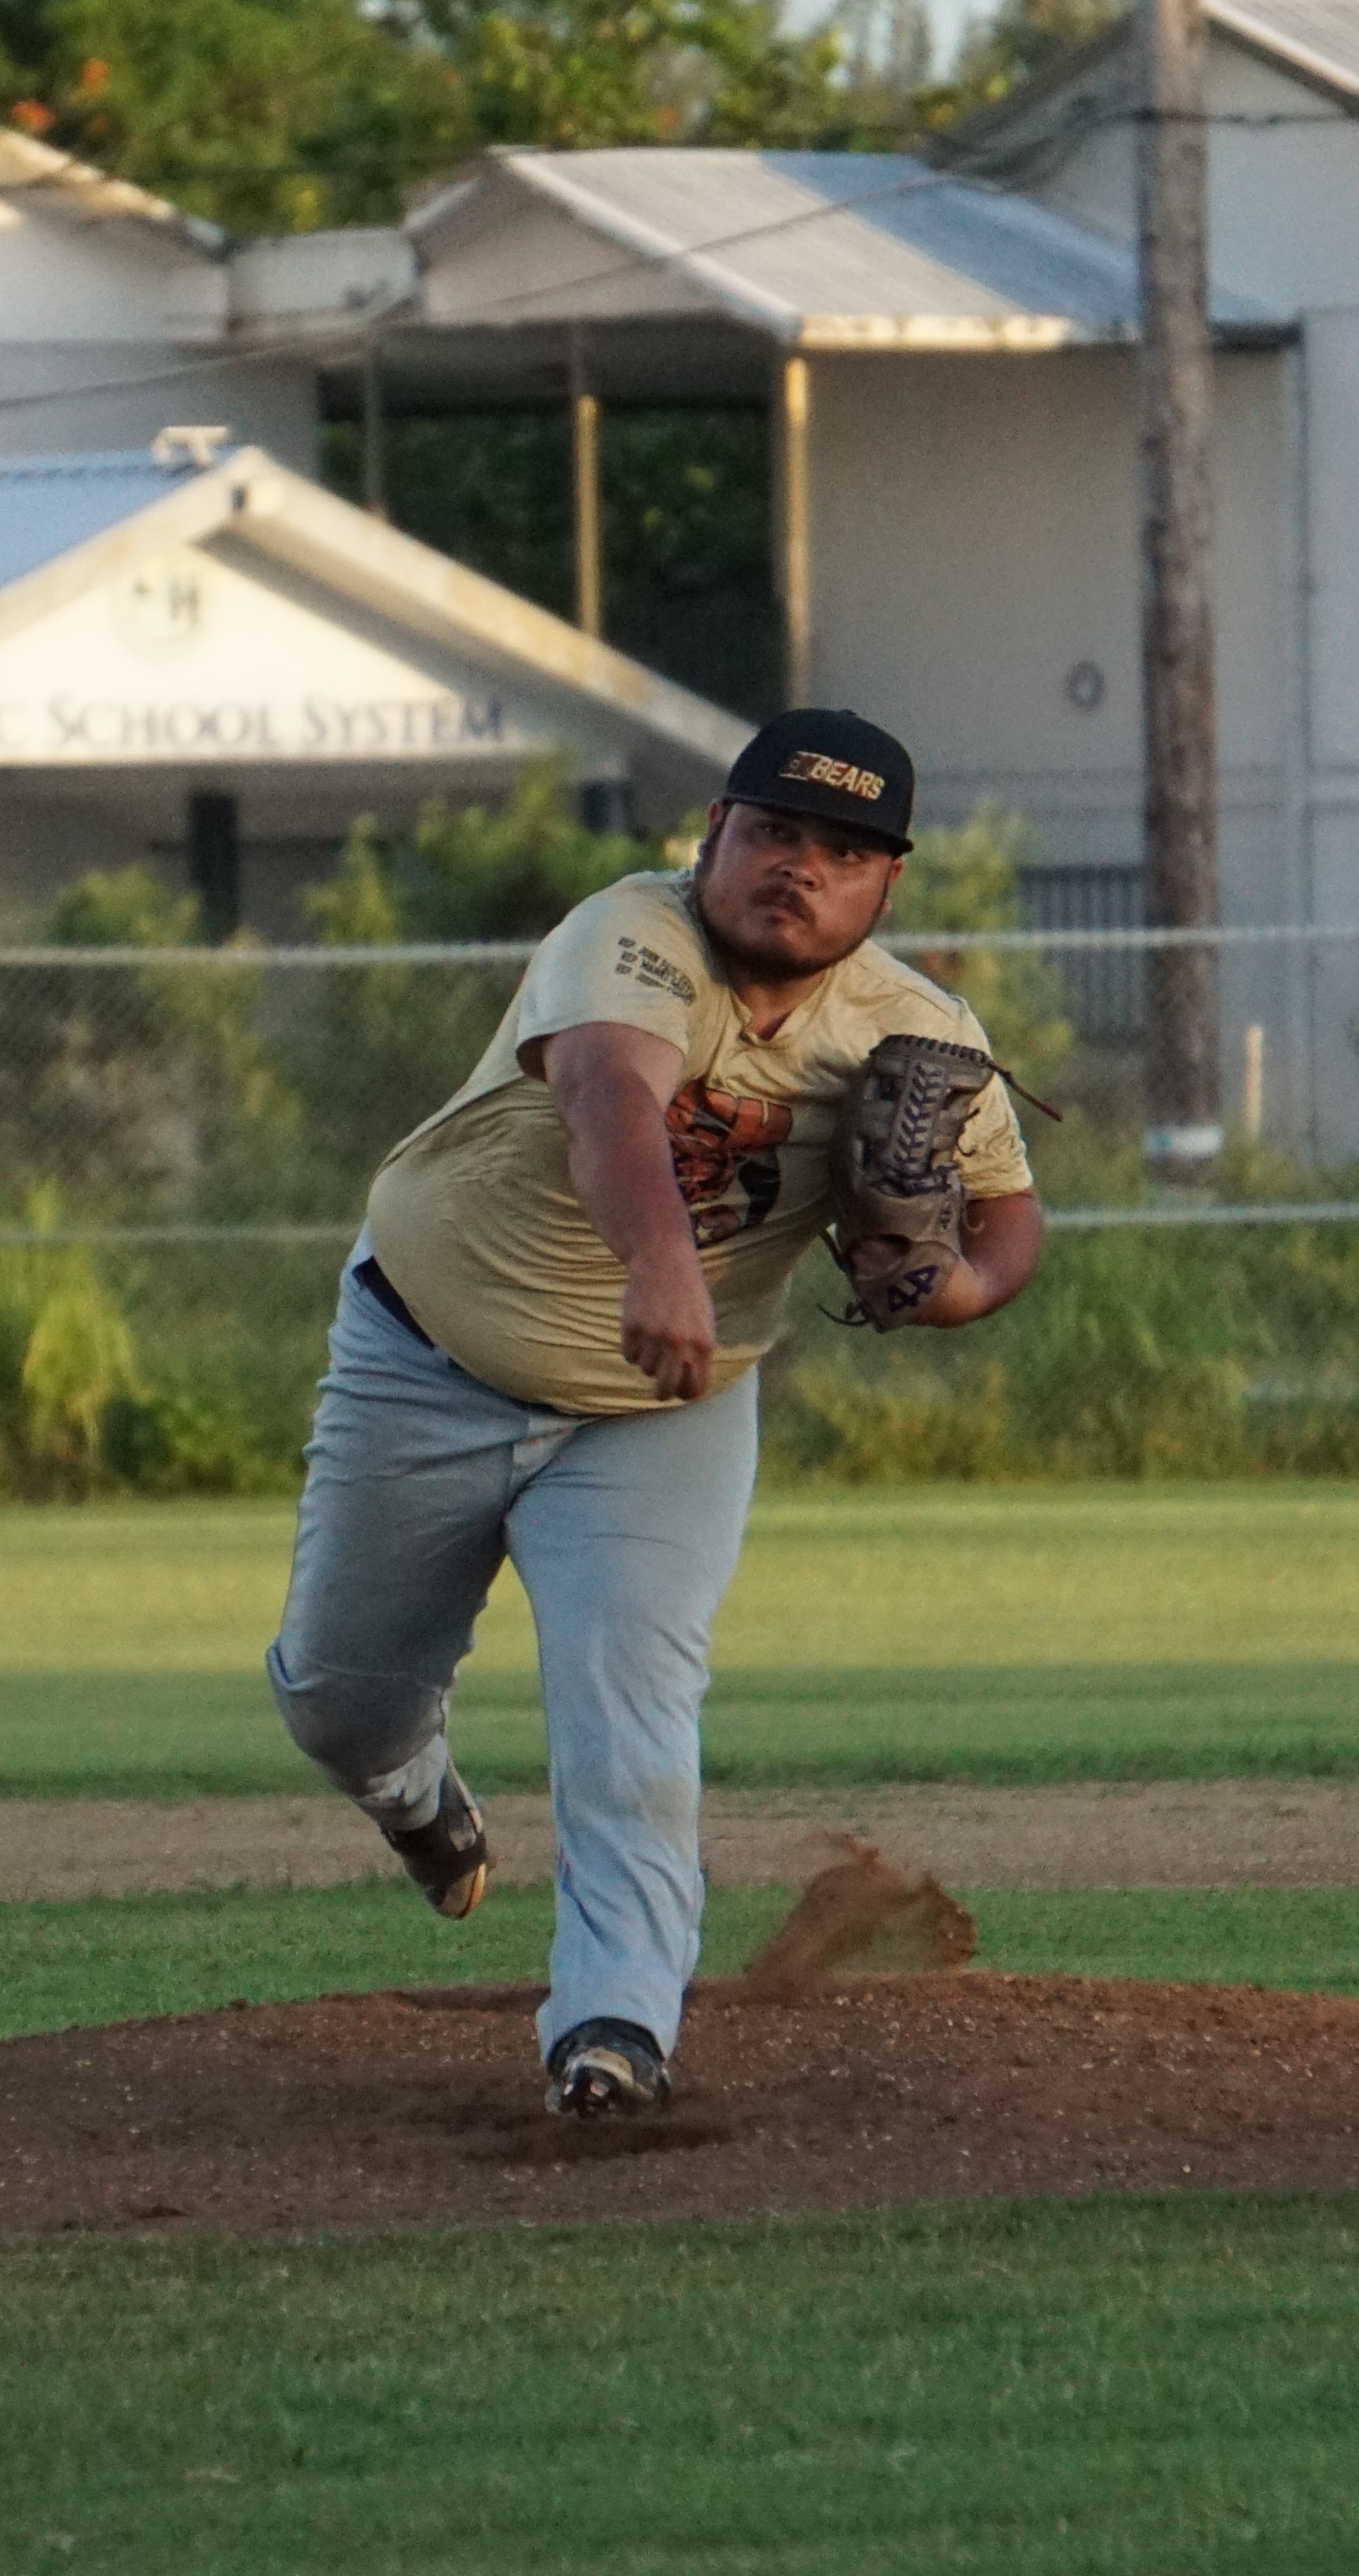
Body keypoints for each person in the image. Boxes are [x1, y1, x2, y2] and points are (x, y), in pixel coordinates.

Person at [264, 710, 1046, 2114]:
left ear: (887, 888)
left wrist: (949, 1293)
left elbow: (1007, 1221)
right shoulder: (628, 934)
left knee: (634, 1713)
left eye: (844, 852)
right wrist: (662, 1259)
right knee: (338, 1698)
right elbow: (607, 1100)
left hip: (659, 1411)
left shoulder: (917, 1028)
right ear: (711, 841)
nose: (799, 869)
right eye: (773, 833)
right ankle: (412, 1797)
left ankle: (614, 2034)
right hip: (424, 1354)